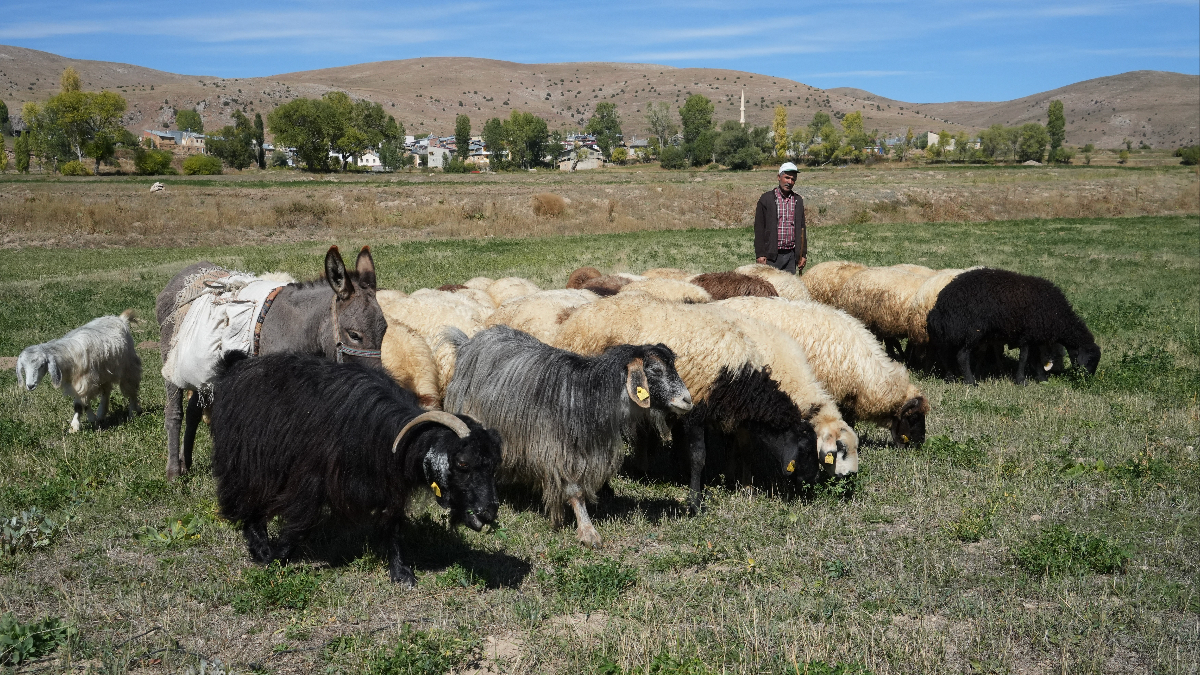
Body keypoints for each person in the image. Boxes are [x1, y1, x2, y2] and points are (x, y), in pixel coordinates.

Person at [753, 162, 807, 274]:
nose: (789, 182)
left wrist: (802, 254)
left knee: (789, 284)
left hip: (791, 256)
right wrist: (760, 253)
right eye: (787, 177)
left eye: (793, 179)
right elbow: (759, 228)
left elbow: (802, 229)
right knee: (770, 284)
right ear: (779, 177)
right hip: (771, 256)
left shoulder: (797, 200)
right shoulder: (766, 199)